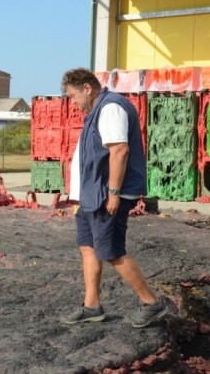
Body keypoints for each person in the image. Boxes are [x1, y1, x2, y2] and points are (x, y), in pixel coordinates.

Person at [58, 68, 170, 328]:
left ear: (87, 88)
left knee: (111, 250)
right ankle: (92, 306)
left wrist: (113, 193)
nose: (73, 102)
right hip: (91, 195)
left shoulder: (111, 108)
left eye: (74, 96)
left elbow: (119, 150)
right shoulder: (96, 111)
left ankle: (152, 303)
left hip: (105, 194)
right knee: (88, 247)